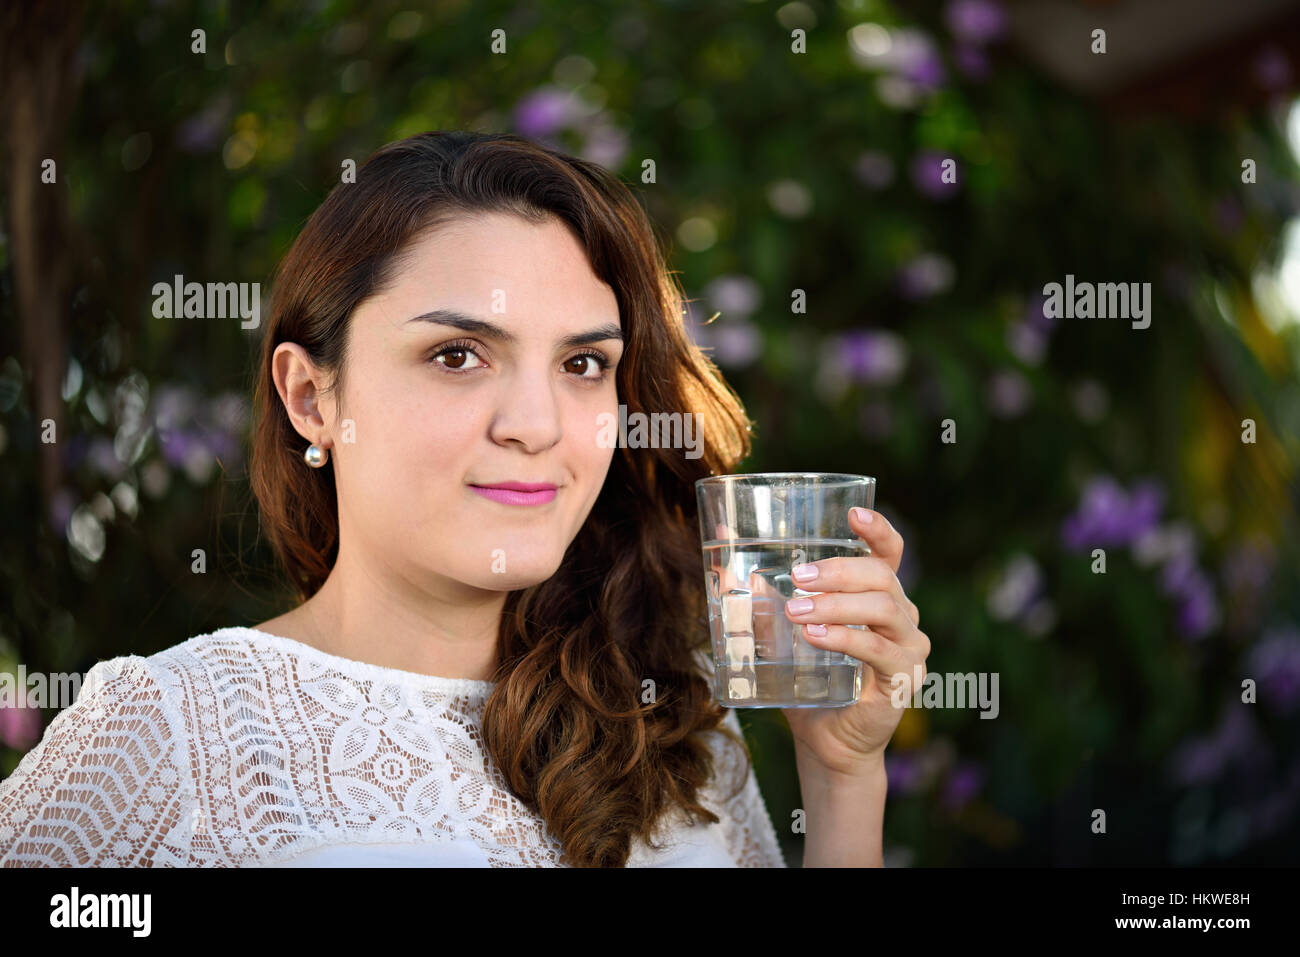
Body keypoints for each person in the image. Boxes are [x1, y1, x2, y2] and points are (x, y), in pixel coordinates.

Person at [0, 130, 928, 867]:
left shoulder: (676, 718)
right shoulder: (172, 730)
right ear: (311, 396)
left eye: (583, 364)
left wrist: (842, 777)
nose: (535, 423)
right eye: (457, 355)